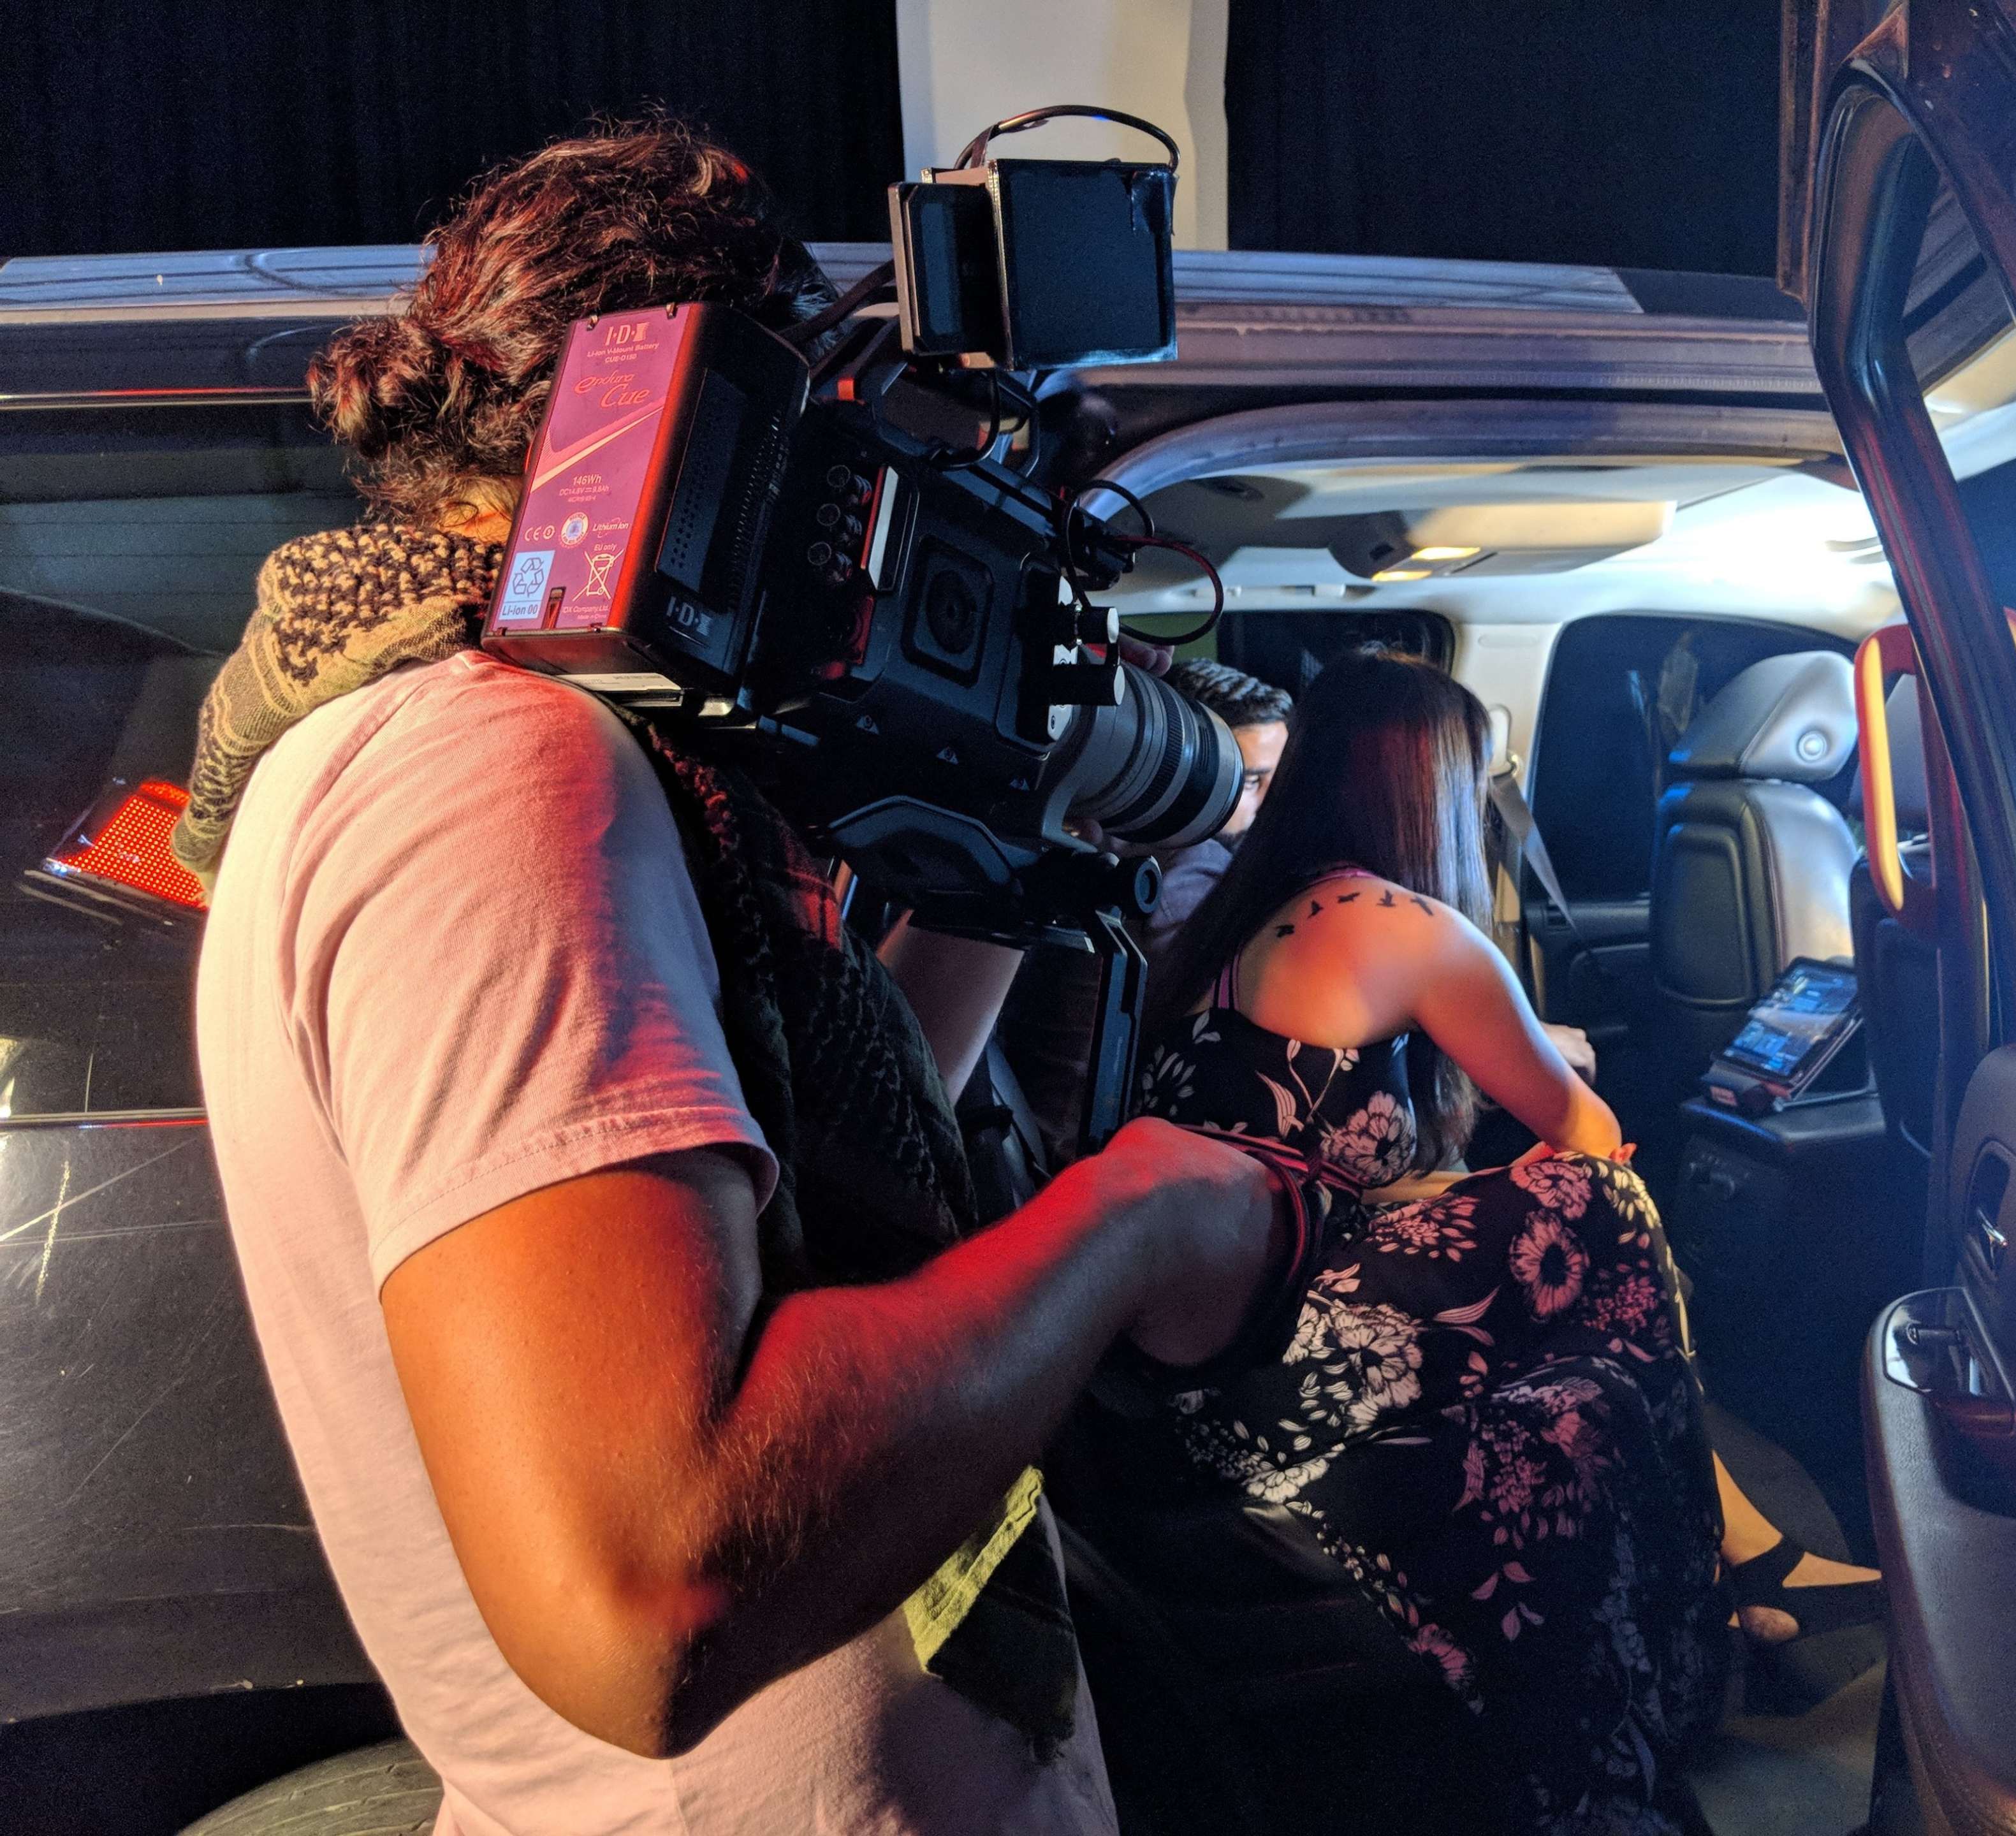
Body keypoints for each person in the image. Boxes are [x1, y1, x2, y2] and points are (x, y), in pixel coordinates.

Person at [177, 123, 1284, 1836]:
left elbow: (776, 1209)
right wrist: (1128, 1220)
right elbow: (653, 1582)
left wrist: (1004, 879)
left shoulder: (476, 745)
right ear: (713, 449)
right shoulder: (490, 772)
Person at [1138, 649, 1881, 1833]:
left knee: (1559, 1240)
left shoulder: (1231, 922)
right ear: (1432, 787)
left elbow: (1304, 1163)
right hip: (1279, 1370)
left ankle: (1738, 1556)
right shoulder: (1392, 920)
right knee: (1607, 1205)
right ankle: (1729, 1581)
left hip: (1215, 1352)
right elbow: (1588, 1129)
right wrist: (1543, 1154)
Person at [1142, 657, 1291, 963]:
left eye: (1278, 780)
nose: (1271, 802)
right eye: (1250, 781)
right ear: (1182, 769)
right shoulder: (1191, 873)